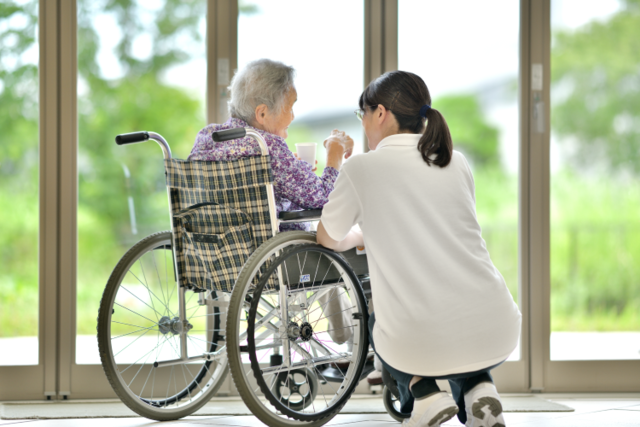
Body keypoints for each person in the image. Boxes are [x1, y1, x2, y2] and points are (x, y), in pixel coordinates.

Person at [316, 70, 521, 427]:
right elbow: (435, 229)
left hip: (420, 337)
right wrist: (366, 234)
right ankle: (479, 390)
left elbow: (327, 238)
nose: (363, 124)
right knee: (454, 335)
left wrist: (337, 168)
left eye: (362, 114)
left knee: (379, 320)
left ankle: (424, 394)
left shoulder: (363, 167)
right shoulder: (456, 161)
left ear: (380, 113)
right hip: (496, 324)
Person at [190, 58, 355, 344]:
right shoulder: (267, 147)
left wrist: (298, 171)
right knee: (330, 242)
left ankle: (344, 337)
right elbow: (323, 200)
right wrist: (334, 157)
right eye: (290, 107)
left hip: (215, 256)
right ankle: (346, 337)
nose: (292, 116)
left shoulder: (207, 138)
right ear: (263, 112)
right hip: (270, 258)